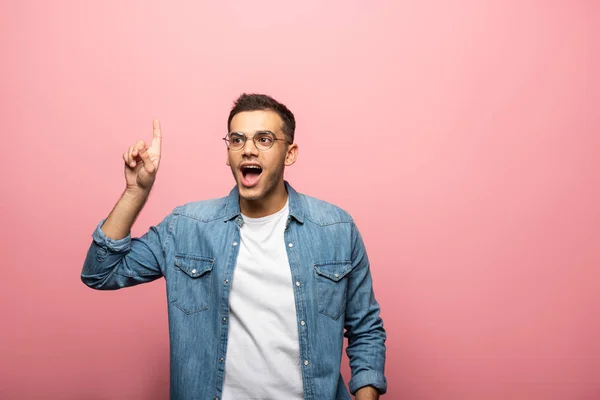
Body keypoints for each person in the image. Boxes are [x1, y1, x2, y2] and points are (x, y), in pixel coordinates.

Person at [81, 93, 387, 400]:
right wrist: (136, 192)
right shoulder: (187, 227)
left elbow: (366, 330)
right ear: (228, 153)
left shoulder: (335, 229)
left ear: (290, 153)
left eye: (264, 139)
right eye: (237, 140)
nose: (248, 149)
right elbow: (100, 272)